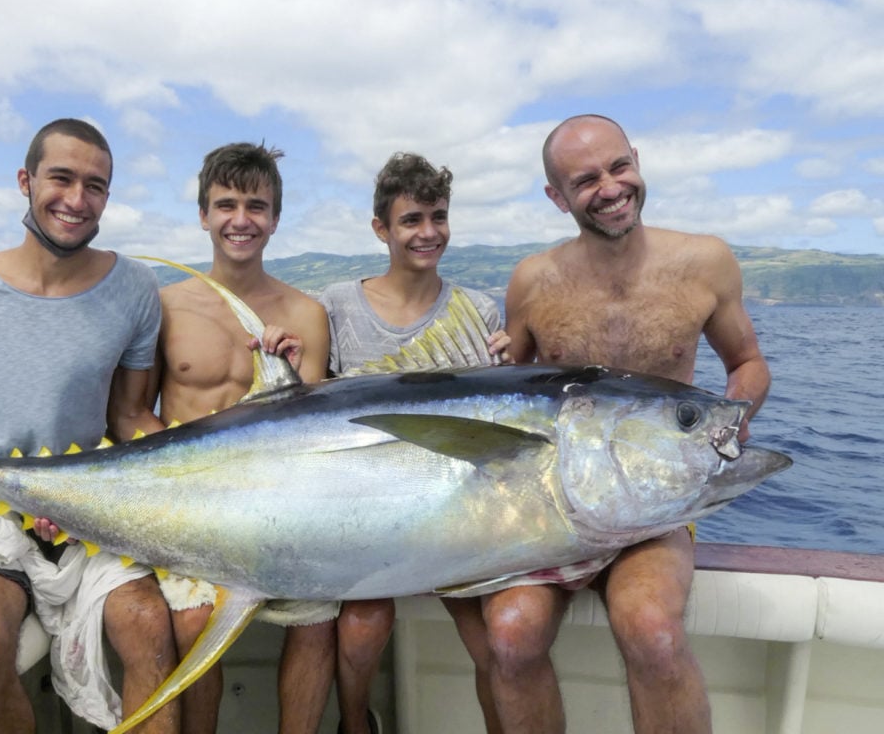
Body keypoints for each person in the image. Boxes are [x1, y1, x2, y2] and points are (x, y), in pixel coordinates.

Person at [491, 113, 773, 733]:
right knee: (510, 637)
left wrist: (736, 417)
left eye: (619, 167)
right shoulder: (533, 280)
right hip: (556, 508)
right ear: (556, 196)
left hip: (656, 506)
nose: (611, 188)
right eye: (585, 179)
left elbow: (748, 364)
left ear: (637, 161)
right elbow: (507, 385)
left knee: (652, 632)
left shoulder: (705, 261)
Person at [0, 118, 179, 734]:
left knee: (152, 631)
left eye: (96, 186)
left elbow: (129, 415)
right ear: (25, 181)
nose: (77, 200)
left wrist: (206, 464)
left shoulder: (135, 288)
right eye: (62, 178)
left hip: (87, 512)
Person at [318, 152, 511, 734]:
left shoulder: (478, 311)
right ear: (382, 229)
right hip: (367, 510)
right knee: (359, 631)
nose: (428, 233)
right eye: (411, 220)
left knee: (493, 642)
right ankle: (356, 723)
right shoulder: (335, 304)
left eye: (438, 216)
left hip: (456, 513)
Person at [150, 142, 337, 734]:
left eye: (256, 206)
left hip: (281, 506)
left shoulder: (306, 313)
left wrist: (297, 366)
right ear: (203, 215)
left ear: (275, 219)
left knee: (318, 619)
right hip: (189, 506)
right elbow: (130, 414)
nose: (240, 220)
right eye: (225, 204)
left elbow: (312, 433)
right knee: (194, 619)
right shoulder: (164, 307)